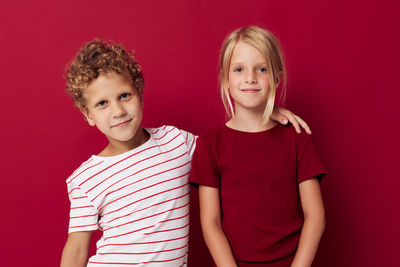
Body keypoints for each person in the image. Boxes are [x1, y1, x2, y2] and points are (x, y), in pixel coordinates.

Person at [60, 38, 312, 267]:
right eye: (102, 103)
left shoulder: (176, 142)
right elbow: (76, 249)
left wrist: (265, 112)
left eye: (124, 96)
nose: (117, 111)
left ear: (140, 94)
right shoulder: (86, 179)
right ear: (88, 114)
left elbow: (230, 149)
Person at [189, 26, 326, 267]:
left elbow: (315, 216)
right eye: (239, 69)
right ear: (225, 78)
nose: (250, 77)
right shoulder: (210, 144)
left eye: (261, 69)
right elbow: (210, 223)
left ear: (276, 77)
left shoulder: (296, 138)